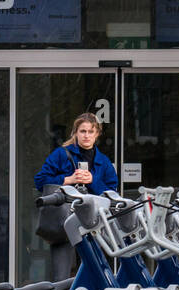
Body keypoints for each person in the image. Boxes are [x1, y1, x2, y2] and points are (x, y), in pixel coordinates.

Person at [34, 112, 119, 280]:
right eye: (83, 131)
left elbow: (112, 193)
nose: (86, 135)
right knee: (62, 278)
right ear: (75, 133)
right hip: (64, 223)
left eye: (90, 131)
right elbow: (40, 180)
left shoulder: (103, 161)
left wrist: (92, 180)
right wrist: (68, 179)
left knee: (95, 275)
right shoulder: (61, 154)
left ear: (97, 134)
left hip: (93, 226)